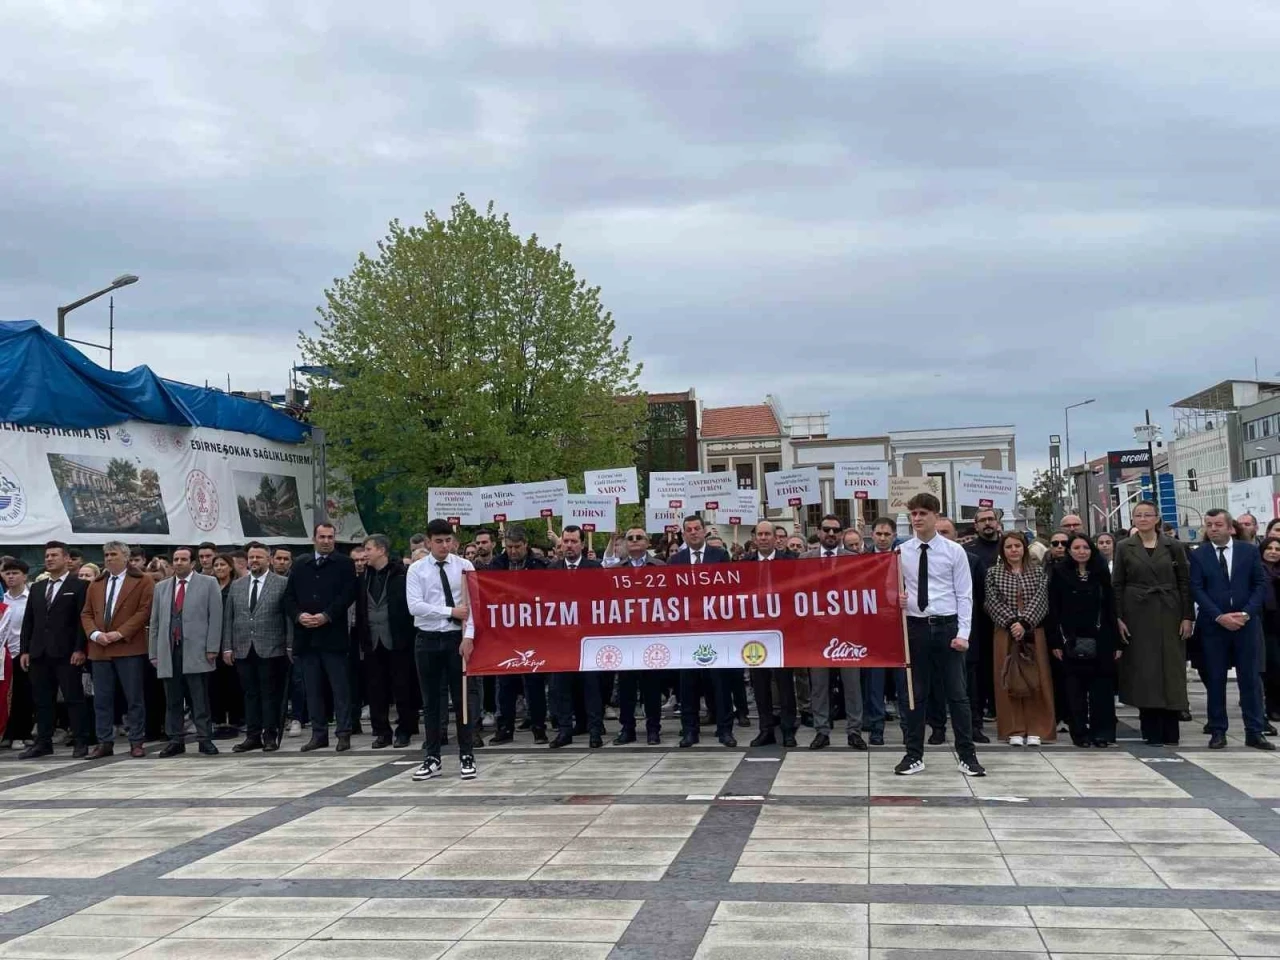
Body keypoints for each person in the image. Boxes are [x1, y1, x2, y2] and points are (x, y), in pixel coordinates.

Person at [895, 494, 985, 777]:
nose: (917, 518)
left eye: (923, 513)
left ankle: (967, 756)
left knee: (957, 695)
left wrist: (963, 633)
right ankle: (913, 755)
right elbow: (892, 587)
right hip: (915, 627)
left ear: (936, 516)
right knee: (915, 695)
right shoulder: (901, 552)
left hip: (947, 626)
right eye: (913, 513)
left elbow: (965, 595)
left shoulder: (953, 551)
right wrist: (897, 598)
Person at [1113, 500, 1194, 746]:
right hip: (1137, 613)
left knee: (1171, 669)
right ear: (1133, 519)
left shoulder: (1174, 546)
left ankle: (1171, 729)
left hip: (1170, 611)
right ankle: (1151, 729)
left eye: (1148, 515)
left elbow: (1184, 582)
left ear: (1157, 518)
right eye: (1138, 515)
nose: (1143, 519)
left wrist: (1187, 616)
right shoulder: (1124, 547)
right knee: (1144, 670)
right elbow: (1117, 583)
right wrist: (1118, 617)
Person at [1190, 509, 1273, 750]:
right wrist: (1218, 616)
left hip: (1246, 624)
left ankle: (1255, 731)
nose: (1213, 529)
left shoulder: (1248, 551)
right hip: (1214, 625)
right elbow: (1196, 588)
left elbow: (1259, 584)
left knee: (1250, 679)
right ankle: (1218, 730)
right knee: (1215, 679)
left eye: (1218, 524)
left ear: (1230, 528)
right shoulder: (1199, 554)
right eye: (1209, 525)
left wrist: (1246, 613)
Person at [407, 518, 478, 782]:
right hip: (427, 639)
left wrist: (468, 637)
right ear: (428, 542)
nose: (444, 546)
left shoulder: (464, 566)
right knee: (432, 702)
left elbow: (473, 606)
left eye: (448, 540)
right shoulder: (417, 570)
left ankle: (466, 754)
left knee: (462, 700)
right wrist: (450, 611)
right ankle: (432, 757)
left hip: (455, 639)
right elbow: (415, 606)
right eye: (438, 541)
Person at [284, 523, 359, 752]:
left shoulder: (344, 563)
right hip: (306, 637)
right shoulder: (301, 564)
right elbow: (288, 597)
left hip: (333, 636)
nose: (326, 541)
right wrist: (299, 616)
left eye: (330, 537)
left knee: (339, 688)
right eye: (322, 537)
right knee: (313, 689)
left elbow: (348, 594)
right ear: (314, 538)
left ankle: (344, 733)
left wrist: (327, 615)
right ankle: (319, 734)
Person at [81, 539, 155, 759]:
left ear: (125, 557)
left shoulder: (143, 580)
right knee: (101, 699)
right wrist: (95, 634)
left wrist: (120, 633)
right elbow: (86, 613)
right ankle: (104, 741)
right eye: (106, 555)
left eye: (113, 554)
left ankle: (136, 741)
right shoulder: (96, 583)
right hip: (100, 649)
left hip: (128, 647)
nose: (109, 559)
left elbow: (144, 611)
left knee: (134, 698)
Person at [668, 515, 737, 748]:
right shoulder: (675, 561)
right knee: (688, 684)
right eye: (689, 530)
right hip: (687, 632)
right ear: (684, 534)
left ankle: (725, 730)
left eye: (697, 528)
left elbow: (729, 589)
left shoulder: (720, 556)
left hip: (715, 630)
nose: (694, 532)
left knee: (720, 683)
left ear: (704, 530)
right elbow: (671, 595)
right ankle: (690, 730)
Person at [18, 541, 91, 759]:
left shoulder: (79, 586)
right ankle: (43, 742)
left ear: (67, 558)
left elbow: (82, 621)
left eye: (54, 555)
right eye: (47, 555)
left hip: (67, 652)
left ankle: (81, 741)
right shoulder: (38, 587)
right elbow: (29, 621)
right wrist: (25, 650)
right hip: (39, 652)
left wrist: (80, 648)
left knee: (73, 698)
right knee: (42, 700)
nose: (49, 559)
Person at [801, 514, 866, 751]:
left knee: (852, 684)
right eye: (826, 529)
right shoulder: (805, 559)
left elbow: (863, 592)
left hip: (847, 632)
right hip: (817, 632)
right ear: (818, 532)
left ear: (841, 534)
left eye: (835, 530)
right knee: (818, 685)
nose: (830, 534)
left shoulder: (853, 559)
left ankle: (854, 731)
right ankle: (821, 731)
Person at [1048, 534, 1120, 747]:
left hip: (1101, 635)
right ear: (1069, 551)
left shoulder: (1100, 571)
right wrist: (1055, 642)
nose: (1081, 551)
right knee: (1074, 690)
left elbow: (1110, 607)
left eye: (1085, 547)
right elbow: (1053, 609)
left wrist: (1117, 641)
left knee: (1102, 688)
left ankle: (1102, 733)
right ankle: (1079, 733)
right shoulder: (1059, 572)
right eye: (1076, 547)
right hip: (1070, 637)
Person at [150, 546, 223, 757]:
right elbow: (155, 622)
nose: (179, 563)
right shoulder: (162, 587)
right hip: (169, 649)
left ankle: (204, 739)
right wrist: (154, 652)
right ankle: (175, 739)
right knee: (172, 699)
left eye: (183, 559)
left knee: (199, 698)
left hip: (197, 649)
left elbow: (215, 617)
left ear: (192, 563)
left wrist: (212, 647)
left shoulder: (208, 583)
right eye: (176, 559)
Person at [984, 531, 1054, 746]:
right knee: (1008, 678)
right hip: (1005, 632)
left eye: (1017, 546)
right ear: (1002, 550)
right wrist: (1011, 623)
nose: (1013, 550)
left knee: (1037, 680)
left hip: (1033, 632)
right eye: (1009, 547)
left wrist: (1024, 623)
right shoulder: (993, 573)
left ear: (1024, 548)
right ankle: (1013, 728)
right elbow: (991, 602)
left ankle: (1037, 728)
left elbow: (1041, 600)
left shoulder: (1038, 572)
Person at [351, 534, 420, 749]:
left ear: (381, 550)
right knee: (375, 689)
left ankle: (405, 730)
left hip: (398, 641)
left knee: (403, 686)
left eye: (368, 549)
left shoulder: (401, 574)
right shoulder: (363, 577)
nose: (365, 554)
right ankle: (381, 731)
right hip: (372, 641)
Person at [223, 541, 291, 753]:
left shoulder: (282, 583)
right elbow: (229, 618)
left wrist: (290, 645)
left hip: (271, 647)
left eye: (258, 557)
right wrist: (227, 647)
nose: (254, 560)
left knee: (270, 694)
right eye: (251, 557)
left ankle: (270, 735)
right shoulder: (237, 585)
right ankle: (252, 736)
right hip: (243, 647)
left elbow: (288, 618)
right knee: (250, 694)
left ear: (268, 559)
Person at [610, 526, 666, 745]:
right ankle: (627, 728)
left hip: (652, 636)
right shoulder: (616, 570)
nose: (634, 540)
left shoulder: (660, 567)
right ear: (625, 543)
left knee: (651, 686)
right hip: (625, 637)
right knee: (626, 686)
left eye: (639, 537)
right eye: (630, 538)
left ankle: (653, 728)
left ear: (647, 542)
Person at [746, 520, 799, 748]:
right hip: (755, 633)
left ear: (776, 537)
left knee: (785, 682)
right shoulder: (744, 563)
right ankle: (765, 729)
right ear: (755, 538)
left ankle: (788, 730)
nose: (764, 538)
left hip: (782, 630)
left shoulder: (790, 562)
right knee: (760, 683)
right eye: (760, 534)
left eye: (768, 534)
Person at [862, 516, 902, 746]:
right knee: (874, 681)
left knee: (901, 679)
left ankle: (908, 727)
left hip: (899, 626)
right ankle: (876, 727)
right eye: (879, 533)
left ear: (894, 536)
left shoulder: (904, 557)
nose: (883, 538)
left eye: (887, 534)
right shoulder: (861, 559)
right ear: (872, 535)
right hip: (873, 628)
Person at [966, 507, 1003, 741]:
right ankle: (976, 721)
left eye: (991, 519)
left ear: (998, 522)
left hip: (1006, 622)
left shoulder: (1009, 546)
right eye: (983, 520)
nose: (987, 523)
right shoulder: (968, 552)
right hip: (978, 622)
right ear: (976, 525)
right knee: (978, 674)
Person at [0, 559, 30, 747]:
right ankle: (6, 733)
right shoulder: (2, 599)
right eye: (7, 573)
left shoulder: (31, 598)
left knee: (22, 694)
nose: (10, 577)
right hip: (3, 654)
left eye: (15, 573)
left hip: (23, 652)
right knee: (4, 696)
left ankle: (21, 733)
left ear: (24, 576)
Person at [1259, 536, 1280, 723]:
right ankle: (1271, 707)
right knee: (1272, 667)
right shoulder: (1257, 570)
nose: (1273, 552)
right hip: (1265, 626)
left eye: (1277, 549)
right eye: (1269, 548)